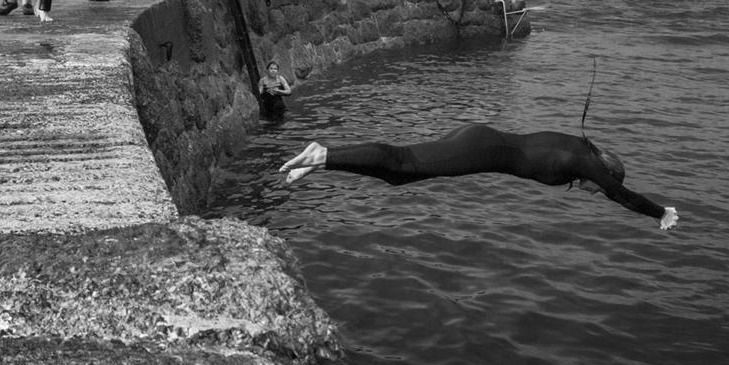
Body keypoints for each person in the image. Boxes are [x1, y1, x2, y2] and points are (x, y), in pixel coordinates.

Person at [279, 123, 680, 230]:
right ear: (606, 171)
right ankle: (323, 152)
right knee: (403, 162)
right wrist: (660, 212)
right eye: (599, 187)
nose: (593, 192)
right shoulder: (588, 165)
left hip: (483, 140)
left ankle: (323, 161)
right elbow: (622, 196)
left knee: (400, 176)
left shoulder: (579, 147)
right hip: (483, 149)